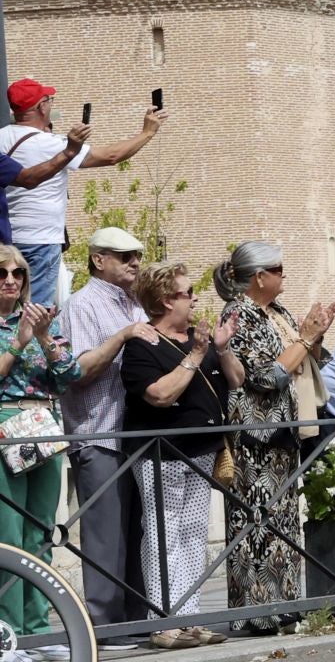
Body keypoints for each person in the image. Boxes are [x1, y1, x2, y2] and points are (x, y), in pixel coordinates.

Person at [217, 242, 335, 634]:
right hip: (256, 433)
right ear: (259, 276)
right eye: (279, 269)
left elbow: (311, 358)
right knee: (256, 524)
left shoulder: (279, 312)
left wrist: (316, 335)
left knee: (284, 521)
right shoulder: (239, 314)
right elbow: (265, 376)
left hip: (286, 430)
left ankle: (285, 605)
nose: (285, 275)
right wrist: (303, 340)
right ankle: (255, 611)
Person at [121, 261, 241, 650]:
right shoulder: (143, 344)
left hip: (201, 450)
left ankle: (189, 618)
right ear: (164, 299)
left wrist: (219, 350)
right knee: (161, 534)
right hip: (160, 454)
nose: (194, 299)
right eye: (187, 292)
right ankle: (162, 622)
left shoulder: (198, 337)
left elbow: (234, 382)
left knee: (191, 534)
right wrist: (194, 355)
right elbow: (158, 395)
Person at [60, 227, 162, 642]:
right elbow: (79, 372)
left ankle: (140, 620)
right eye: (123, 256)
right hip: (99, 434)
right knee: (105, 538)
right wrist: (122, 336)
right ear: (98, 260)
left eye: (136, 255)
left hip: (138, 435)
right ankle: (103, 628)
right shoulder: (81, 305)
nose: (134, 262)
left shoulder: (136, 305)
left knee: (139, 533)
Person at [1, 79, 166, 306]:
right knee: (35, 311)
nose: (50, 106)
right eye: (49, 101)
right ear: (41, 106)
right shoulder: (51, 144)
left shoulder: (1, 138)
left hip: (8, 238)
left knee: (7, 307)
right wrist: (147, 132)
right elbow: (111, 156)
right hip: (41, 239)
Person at [0, 243, 83, 647]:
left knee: (39, 532)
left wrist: (45, 336)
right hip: (4, 423)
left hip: (44, 424)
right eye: (2, 274)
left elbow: (70, 374)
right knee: (8, 535)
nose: (11, 281)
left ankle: (38, 630)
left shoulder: (41, 320)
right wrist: (18, 342)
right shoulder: (13, 329)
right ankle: (9, 634)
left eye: (18, 274)